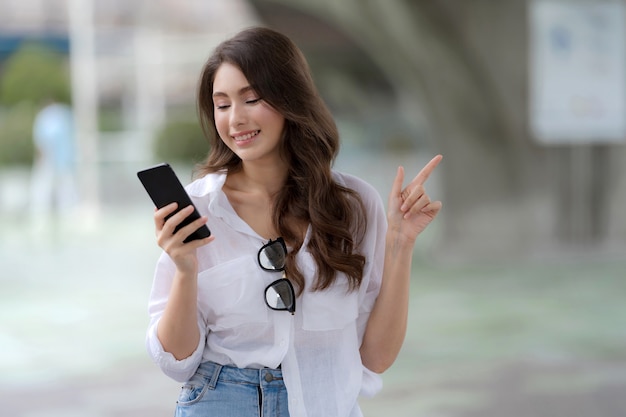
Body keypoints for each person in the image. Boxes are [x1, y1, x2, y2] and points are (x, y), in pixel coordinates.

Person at [146, 27, 442, 417]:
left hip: (325, 403)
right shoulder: (200, 207)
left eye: (251, 99)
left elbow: (376, 357)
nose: (236, 119)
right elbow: (177, 361)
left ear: (290, 98)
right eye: (222, 105)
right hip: (221, 401)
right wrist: (185, 270)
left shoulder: (355, 207)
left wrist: (401, 244)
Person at [29, 97, 78, 230]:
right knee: (61, 191)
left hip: (56, 161)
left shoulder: (46, 117)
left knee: (51, 191)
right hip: (60, 161)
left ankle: (45, 218)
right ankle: (64, 217)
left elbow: (41, 143)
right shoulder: (64, 115)